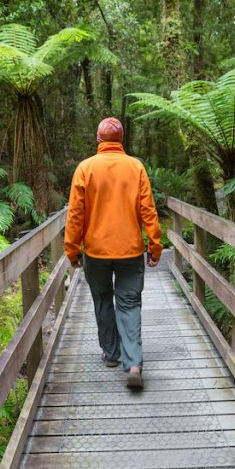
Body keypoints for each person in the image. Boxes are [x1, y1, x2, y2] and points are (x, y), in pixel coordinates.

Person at [64, 117, 162, 390]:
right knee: (129, 303)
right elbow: (148, 211)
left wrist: (72, 250)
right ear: (121, 140)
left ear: (99, 140)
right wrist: (155, 246)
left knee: (103, 299)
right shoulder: (136, 167)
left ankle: (110, 353)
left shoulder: (85, 169)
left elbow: (75, 215)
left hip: (95, 251)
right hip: (130, 250)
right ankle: (132, 364)